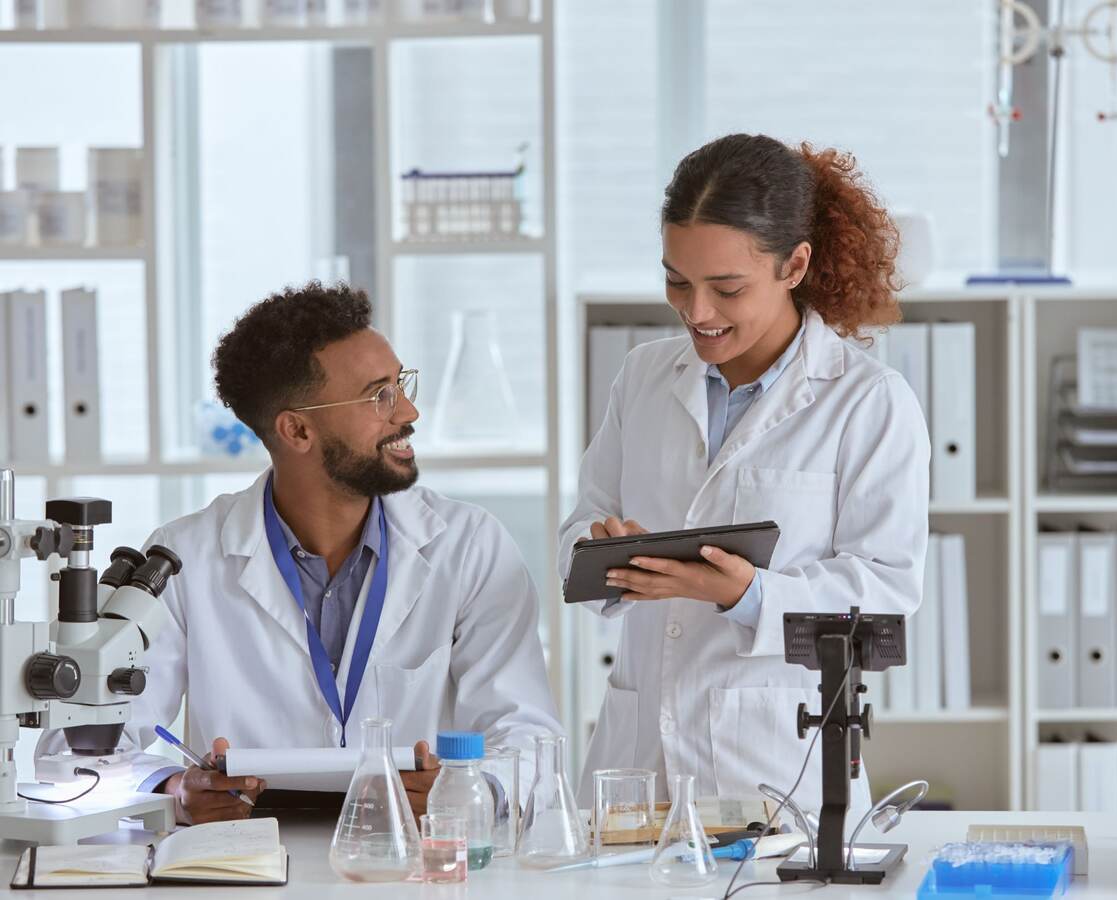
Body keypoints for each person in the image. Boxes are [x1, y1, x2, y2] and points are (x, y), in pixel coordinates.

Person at [49, 282, 562, 824]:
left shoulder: (469, 544)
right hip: (242, 868)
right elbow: (70, 754)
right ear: (297, 430)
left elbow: (531, 744)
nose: (408, 410)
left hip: (414, 867)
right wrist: (172, 787)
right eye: (378, 395)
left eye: (401, 383)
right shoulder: (179, 559)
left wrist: (466, 790)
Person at [559, 134, 930, 816]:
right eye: (677, 280)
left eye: (726, 288)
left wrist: (749, 594)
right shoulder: (643, 375)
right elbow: (579, 526)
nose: (696, 312)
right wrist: (601, 547)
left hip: (771, 770)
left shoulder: (868, 402)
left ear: (794, 264)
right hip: (634, 764)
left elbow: (887, 593)